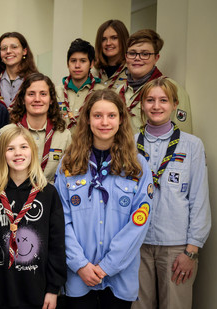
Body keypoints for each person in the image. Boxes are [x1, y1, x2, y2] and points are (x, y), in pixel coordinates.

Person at [54, 89, 153, 308]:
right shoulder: (69, 165)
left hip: (120, 277)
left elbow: (139, 221)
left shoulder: (137, 166)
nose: (104, 122)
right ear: (87, 120)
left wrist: (108, 266)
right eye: (97, 115)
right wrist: (80, 265)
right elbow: (61, 220)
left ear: (121, 120)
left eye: (111, 115)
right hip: (78, 276)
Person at [132, 77, 211, 309]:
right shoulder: (128, 143)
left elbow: (199, 200)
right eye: (150, 100)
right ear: (142, 105)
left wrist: (192, 251)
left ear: (175, 104)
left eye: (163, 100)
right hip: (136, 243)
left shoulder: (192, 145)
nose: (156, 106)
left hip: (177, 247)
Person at [0, 124, 66, 309]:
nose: (17, 153)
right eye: (10, 148)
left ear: (32, 151)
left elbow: (57, 245)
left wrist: (54, 289)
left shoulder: (48, 194)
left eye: (23, 147)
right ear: (1, 155)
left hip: (37, 289)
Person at [116, 29, 192, 133]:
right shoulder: (120, 91)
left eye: (145, 54)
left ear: (156, 58)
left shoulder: (172, 89)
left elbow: (183, 135)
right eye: (132, 53)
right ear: (126, 57)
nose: (137, 58)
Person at [8, 73, 71, 183]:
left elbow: (69, 175)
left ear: (51, 99)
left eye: (43, 94)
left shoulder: (64, 135)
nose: (37, 99)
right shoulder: (7, 132)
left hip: (51, 196)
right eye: (31, 94)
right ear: (23, 99)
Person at [56, 38, 104, 132]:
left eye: (83, 61)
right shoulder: (56, 92)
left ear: (91, 64)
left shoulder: (101, 92)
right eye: (73, 61)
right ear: (67, 63)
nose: (77, 65)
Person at [0, 32, 38, 108]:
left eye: (14, 47)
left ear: (24, 51)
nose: (8, 51)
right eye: (4, 48)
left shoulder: (36, 81)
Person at [92, 20, 129, 90]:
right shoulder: (93, 72)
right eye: (104, 39)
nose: (108, 43)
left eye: (114, 38)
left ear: (123, 40)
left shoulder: (132, 71)